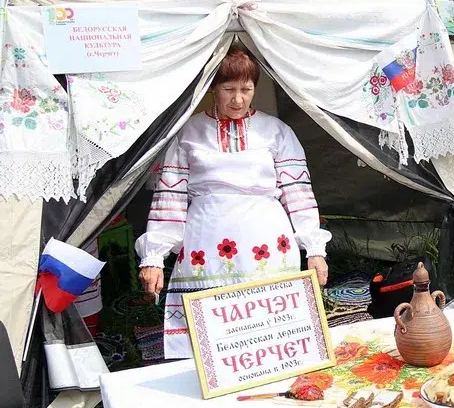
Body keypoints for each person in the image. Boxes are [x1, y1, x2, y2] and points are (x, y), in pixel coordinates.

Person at [135, 45, 332, 359]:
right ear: (212, 88)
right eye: (229, 89)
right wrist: (154, 257)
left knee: (270, 333)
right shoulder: (188, 133)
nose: (238, 99)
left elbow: (298, 193)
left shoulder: (277, 132)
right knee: (213, 340)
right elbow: (170, 198)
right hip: (207, 242)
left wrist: (315, 249)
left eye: (246, 89)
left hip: (267, 243)